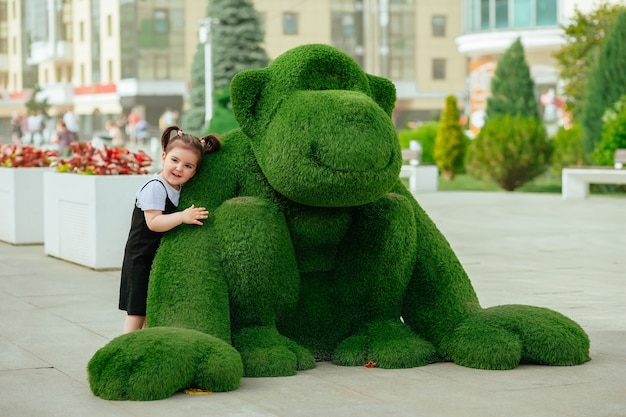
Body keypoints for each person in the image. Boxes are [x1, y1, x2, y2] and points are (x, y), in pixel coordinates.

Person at [118, 125, 222, 333]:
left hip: (153, 255)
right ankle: (126, 345)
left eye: (188, 166)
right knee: (137, 309)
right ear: (164, 157)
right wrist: (183, 217)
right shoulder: (156, 186)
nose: (179, 169)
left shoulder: (176, 187)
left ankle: (145, 343)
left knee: (150, 305)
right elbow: (154, 222)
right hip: (140, 257)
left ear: (195, 172)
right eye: (174, 160)